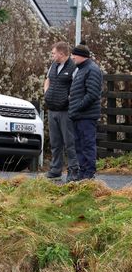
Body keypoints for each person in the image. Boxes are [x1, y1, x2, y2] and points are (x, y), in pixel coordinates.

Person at [43, 41, 79, 181]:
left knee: (70, 142)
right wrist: (46, 93)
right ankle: (55, 169)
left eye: (53, 53)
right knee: (55, 142)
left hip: (66, 111)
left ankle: (73, 171)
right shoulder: (53, 65)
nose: (52, 55)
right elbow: (48, 80)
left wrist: (68, 98)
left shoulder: (73, 67)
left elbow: (76, 86)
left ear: (62, 54)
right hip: (52, 109)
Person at [68, 43, 102, 181]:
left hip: (86, 116)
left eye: (74, 55)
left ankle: (88, 174)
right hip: (79, 115)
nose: (72, 57)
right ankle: (83, 173)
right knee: (79, 146)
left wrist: (78, 107)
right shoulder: (81, 69)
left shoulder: (92, 70)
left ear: (81, 56)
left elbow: (93, 94)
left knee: (87, 145)